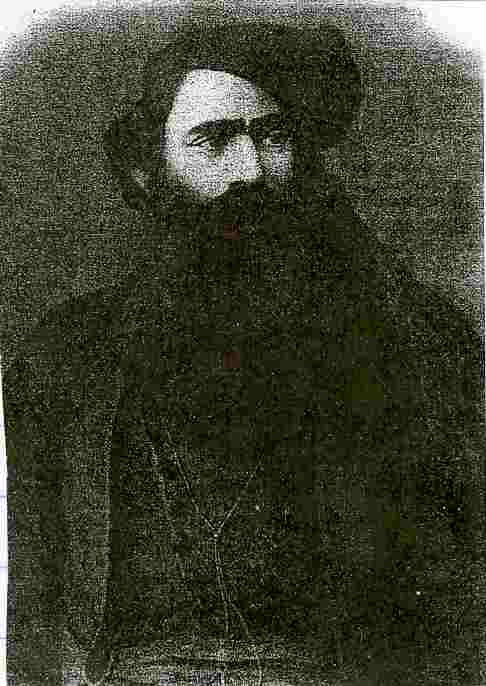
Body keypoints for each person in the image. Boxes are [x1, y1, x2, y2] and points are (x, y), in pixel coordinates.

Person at [4, 19, 482, 686]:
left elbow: (460, 613)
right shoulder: (65, 355)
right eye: (214, 140)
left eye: (274, 137)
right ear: (150, 167)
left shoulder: (425, 340)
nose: (251, 170)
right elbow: (29, 613)